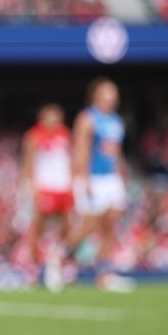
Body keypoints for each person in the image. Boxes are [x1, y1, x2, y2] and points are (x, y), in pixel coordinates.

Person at [63, 78, 136, 292]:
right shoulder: (87, 118)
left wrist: (122, 171)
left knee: (110, 228)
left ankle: (104, 275)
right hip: (93, 177)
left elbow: (115, 151)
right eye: (107, 93)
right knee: (89, 226)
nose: (112, 98)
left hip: (111, 178)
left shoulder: (116, 121)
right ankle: (61, 259)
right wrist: (82, 177)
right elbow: (81, 148)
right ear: (96, 95)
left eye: (114, 93)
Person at [20, 103, 74, 291]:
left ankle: (60, 264)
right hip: (45, 187)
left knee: (66, 229)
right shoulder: (34, 136)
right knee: (38, 230)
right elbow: (29, 162)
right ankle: (34, 270)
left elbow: (70, 159)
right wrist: (31, 186)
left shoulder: (65, 134)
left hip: (64, 187)